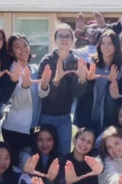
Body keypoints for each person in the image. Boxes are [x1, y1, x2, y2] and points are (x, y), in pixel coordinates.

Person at [37, 24, 89, 152]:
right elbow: (46, 94)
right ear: (55, 41)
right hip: (46, 115)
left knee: (64, 152)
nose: (64, 39)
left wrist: (82, 80)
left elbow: (76, 93)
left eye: (67, 36)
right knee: (44, 152)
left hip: (64, 117)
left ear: (72, 40)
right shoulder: (47, 61)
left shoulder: (78, 62)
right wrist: (56, 80)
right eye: (60, 36)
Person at [1, 34, 42, 161]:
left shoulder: (34, 69)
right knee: (15, 165)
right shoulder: (12, 71)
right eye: (17, 47)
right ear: (11, 52)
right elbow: (16, 103)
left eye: (25, 45)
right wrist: (25, 87)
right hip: (15, 128)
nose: (23, 49)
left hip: (32, 127)